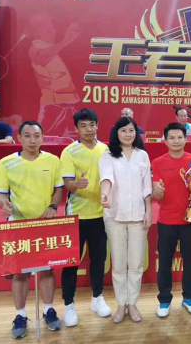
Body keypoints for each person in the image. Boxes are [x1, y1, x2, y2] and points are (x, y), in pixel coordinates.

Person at [0, 121, 64, 339]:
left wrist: (53, 206)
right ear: (19, 138)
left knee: (47, 270)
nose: (32, 140)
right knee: (20, 272)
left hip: (45, 223)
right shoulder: (6, 163)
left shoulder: (53, 161)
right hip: (18, 223)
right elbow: (0, 194)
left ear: (42, 138)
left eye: (36, 136)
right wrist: (4, 204)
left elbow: (58, 190)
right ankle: (21, 315)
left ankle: (48, 310)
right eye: (27, 136)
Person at [60, 109, 111, 327]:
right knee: (71, 263)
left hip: (101, 215)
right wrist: (76, 185)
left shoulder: (106, 150)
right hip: (76, 216)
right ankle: (69, 304)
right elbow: (67, 184)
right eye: (83, 126)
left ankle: (97, 298)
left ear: (97, 125)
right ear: (76, 129)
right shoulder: (69, 151)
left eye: (92, 125)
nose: (89, 129)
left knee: (98, 260)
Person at [99, 117, 152, 323]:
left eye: (131, 130)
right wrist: (105, 194)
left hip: (139, 216)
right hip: (115, 215)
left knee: (136, 264)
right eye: (123, 131)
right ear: (116, 133)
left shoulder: (142, 155)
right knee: (119, 265)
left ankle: (133, 303)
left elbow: (147, 186)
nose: (128, 134)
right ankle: (121, 304)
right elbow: (106, 178)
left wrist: (148, 211)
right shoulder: (108, 155)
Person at [152, 122, 191, 318]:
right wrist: (157, 191)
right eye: (171, 138)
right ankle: (164, 300)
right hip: (166, 220)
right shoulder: (157, 163)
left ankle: (189, 298)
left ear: (186, 139)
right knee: (165, 261)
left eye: (179, 137)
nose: (176, 141)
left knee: (190, 261)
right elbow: (156, 194)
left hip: (190, 219)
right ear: (165, 141)